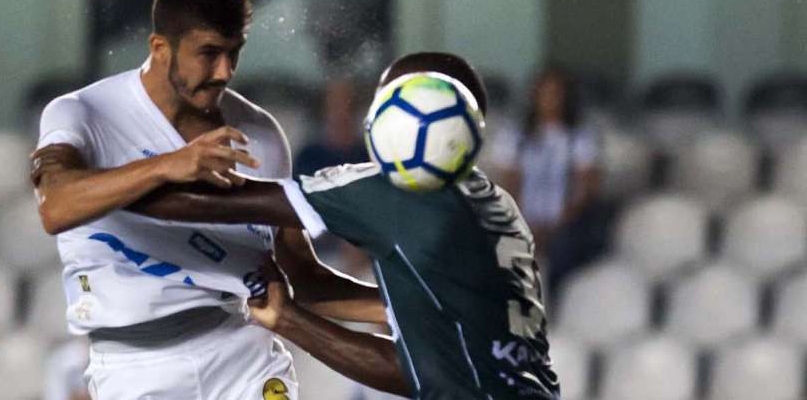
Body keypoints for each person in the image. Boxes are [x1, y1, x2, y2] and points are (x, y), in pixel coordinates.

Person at [30, 0, 383, 400]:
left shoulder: (261, 134)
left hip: (242, 354)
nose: (224, 71)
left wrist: (401, 307)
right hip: (134, 367)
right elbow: (55, 205)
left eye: (234, 52)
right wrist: (168, 165)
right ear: (160, 47)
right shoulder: (83, 112)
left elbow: (305, 279)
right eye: (209, 52)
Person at [130, 52, 561, 400]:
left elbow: (195, 205)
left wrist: (113, 180)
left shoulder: (394, 194)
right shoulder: (498, 206)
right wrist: (285, 253)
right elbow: (340, 294)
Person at [489, 66, 603, 294]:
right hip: (522, 220)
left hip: (565, 225)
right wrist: (525, 223)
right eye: (544, 93)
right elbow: (507, 185)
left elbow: (585, 189)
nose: (549, 100)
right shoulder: (515, 136)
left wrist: (554, 227)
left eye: (556, 94)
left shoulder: (580, 137)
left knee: (565, 250)